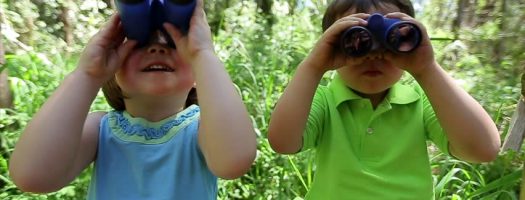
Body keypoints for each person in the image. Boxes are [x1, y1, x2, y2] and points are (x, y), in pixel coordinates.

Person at [9, 0, 257, 199]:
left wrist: (203, 54)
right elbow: (32, 177)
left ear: (197, 75)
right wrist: (87, 75)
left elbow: (234, 162)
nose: (158, 48)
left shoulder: (204, 129)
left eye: (173, 45)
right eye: (139, 44)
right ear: (113, 70)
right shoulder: (100, 129)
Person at [267, 0, 500, 199]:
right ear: (330, 45)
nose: (373, 56)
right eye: (356, 39)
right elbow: (283, 142)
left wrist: (427, 69)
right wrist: (313, 66)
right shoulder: (323, 99)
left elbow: (483, 150)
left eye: (394, 39)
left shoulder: (420, 101)